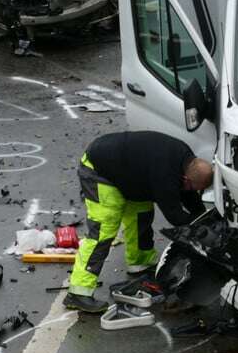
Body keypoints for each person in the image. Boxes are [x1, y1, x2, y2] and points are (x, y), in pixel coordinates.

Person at [63, 131, 214, 313]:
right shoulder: (165, 172)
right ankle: (78, 292)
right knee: (104, 230)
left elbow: (190, 197)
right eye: (192, 187)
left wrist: (205, 222)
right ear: (185, 178)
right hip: (99, 171)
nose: (193, 191)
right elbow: (174, 215)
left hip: (130, 176)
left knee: (141, 215)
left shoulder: (187, 161)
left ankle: (139, 263)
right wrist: (197, 235)